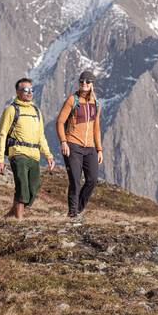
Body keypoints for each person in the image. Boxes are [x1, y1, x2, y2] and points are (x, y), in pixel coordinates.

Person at [0, 77, 55, 219]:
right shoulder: (11, 110)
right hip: (18, 154)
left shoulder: (36, 111)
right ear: (18, 92)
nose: (29, 93)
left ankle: (11, 214)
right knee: (22, 187)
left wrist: (48, 155)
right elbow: (2, 134)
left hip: (34, 156)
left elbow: (41, 136)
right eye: (25, 90)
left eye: (31, 90)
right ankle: (19, 221)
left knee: (32, 190)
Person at [56, 71, 103, 219]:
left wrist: (99, 149)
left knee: (92, 180)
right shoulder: (72, 100)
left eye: (87, 82)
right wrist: (64, 141)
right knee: (75, 181)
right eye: (82, 81)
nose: (84, 84)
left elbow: (96, 128)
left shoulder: (96, 103)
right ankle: (72, 213)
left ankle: (78, 209)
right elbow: (60, 122)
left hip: (90, 148)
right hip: (73, 145)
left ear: (92, 85)